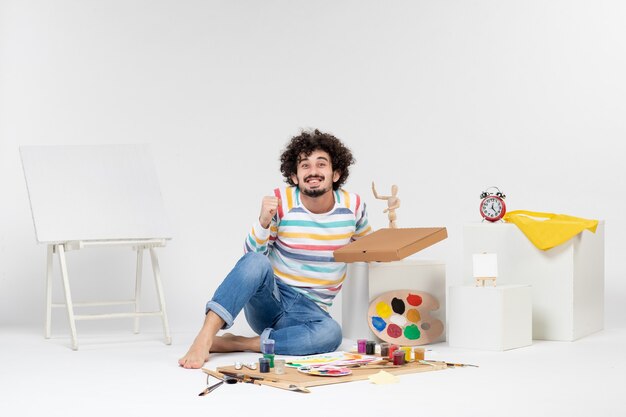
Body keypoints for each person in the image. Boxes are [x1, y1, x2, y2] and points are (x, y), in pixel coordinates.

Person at [179, 129, 372, 369]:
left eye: (321, 164)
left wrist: (394, 228)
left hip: (310, 312)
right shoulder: (281, 202)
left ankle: (239, 343)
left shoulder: (353, 206)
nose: (313, 171)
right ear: (294, 176)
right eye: (305, 165)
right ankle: (205, 336)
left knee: (332, 334)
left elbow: (369, 249)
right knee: (256, 262)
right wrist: (262, 222)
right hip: (272, 297)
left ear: (336, 173)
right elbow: (250, 261)